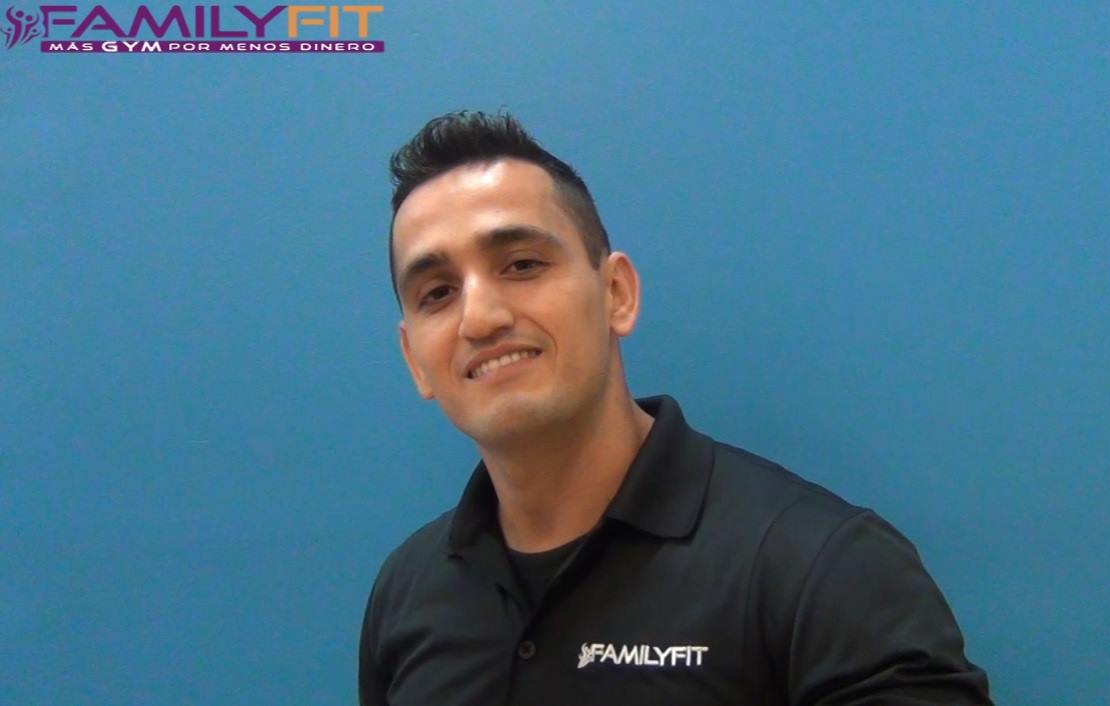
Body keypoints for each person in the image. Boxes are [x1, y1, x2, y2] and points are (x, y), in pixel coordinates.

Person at [359, 110, 993, 706]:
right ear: (415, 359)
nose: (480, 317)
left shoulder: (823, 569)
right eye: (437, 292)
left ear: (616, 294)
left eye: (522, 264)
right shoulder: (407, 592)